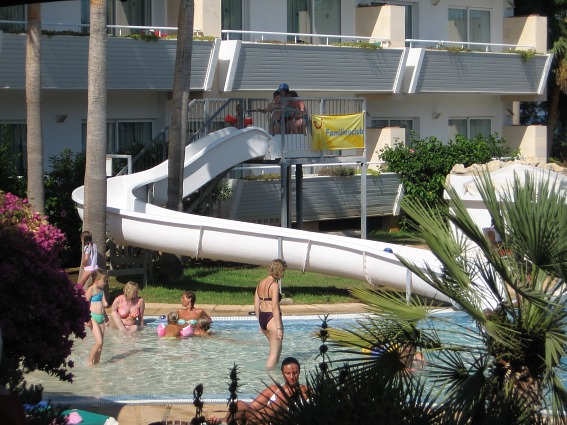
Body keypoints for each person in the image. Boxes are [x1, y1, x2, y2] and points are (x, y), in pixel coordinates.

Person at [207, 356, 309, 425]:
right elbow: (252, 408)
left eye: (295, 373)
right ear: (282, 373)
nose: (292, 377)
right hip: (260, 422)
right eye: (288, 373)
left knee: (276, 406)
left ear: (299, 373)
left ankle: (244, 423)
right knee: (240, 404)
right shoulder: (274, 390)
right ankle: (224, 421)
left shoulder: (304, 391)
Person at [255, 259, 286, 369]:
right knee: (273, 354)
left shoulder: (260, 283)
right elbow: (275, 307)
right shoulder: (274, 285)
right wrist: (279, 328)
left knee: (278, 348)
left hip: (263, 317)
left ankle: (276, 372)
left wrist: (260, 323)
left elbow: (256, 305)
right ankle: (268, 376)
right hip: (272, 319)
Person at [85, 269, 109, 365]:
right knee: (99, 342)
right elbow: (85, 305)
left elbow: (103, 305)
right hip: (93, 318)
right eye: (104, 281)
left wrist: (106, 317)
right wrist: (86, 319)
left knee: (101, 344)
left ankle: (97, 363)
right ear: (97, 280)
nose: (106, 283)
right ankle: (90, 361)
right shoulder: (91, 290)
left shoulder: (101, 290)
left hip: (101, 318)